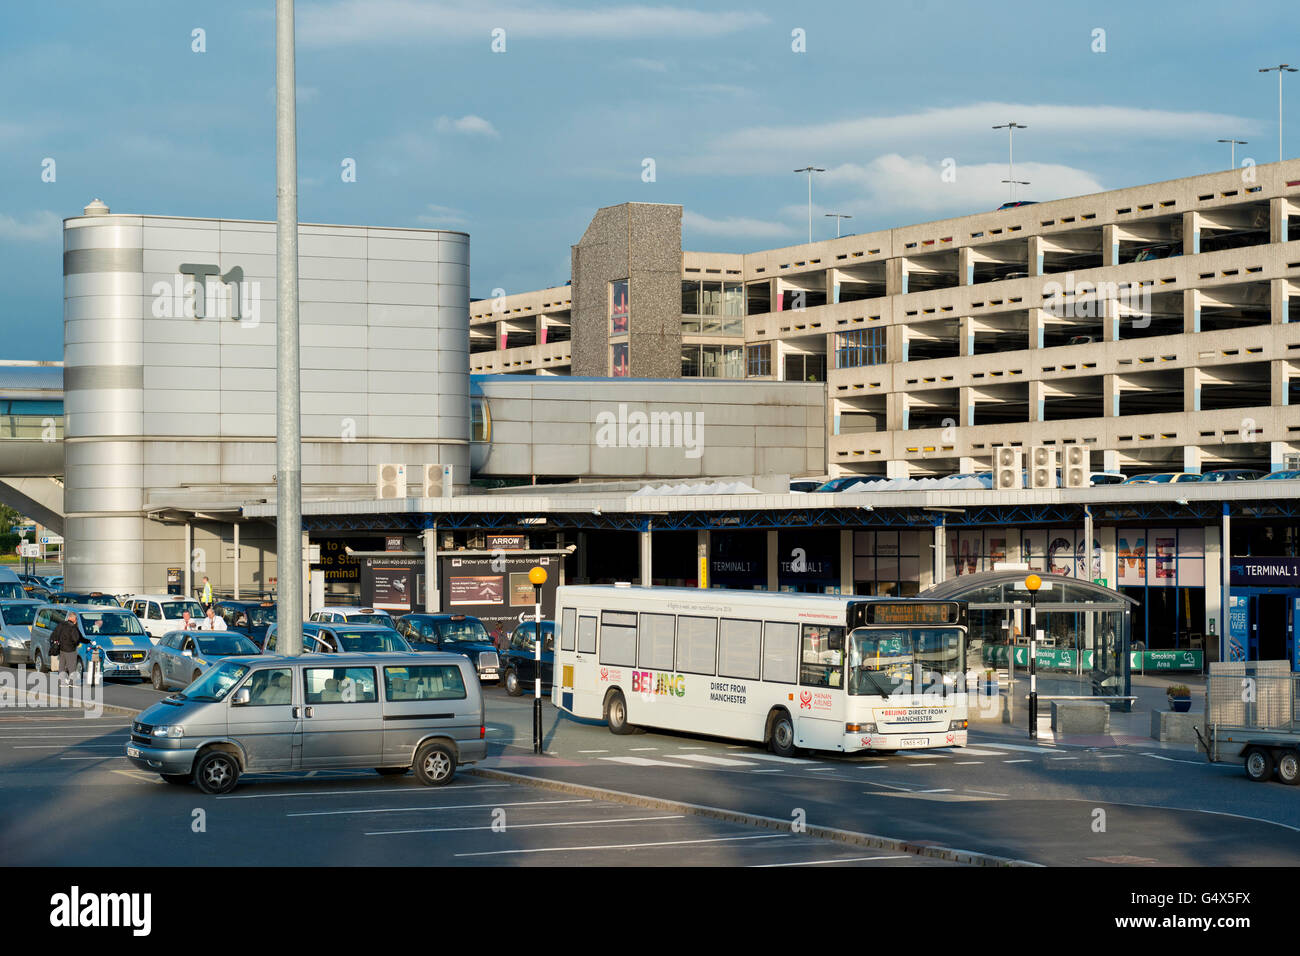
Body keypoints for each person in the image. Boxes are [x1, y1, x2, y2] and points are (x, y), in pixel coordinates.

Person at [51, 612, 90, 686]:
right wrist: (87, 641)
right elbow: (78, 638)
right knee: (72, 666)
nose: (76, 621)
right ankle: (72, 682)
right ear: (72, 618)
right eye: (76, 619)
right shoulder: (73, 627)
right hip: (70, 649)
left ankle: (61, 682)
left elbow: (54, 635)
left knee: (62, 666)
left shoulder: (61, 624)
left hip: (61, 649)